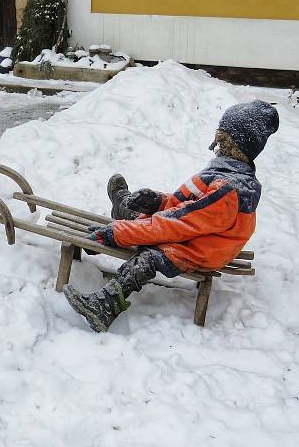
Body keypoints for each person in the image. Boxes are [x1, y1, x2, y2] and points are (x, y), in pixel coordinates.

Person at [64, 100, 279, 332]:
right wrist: (158, 200)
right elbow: (189, 208)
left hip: (200, 250)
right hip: (197, 235)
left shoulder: (228, 189)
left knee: (150, 256)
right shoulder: (227, 174)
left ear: (235, 143)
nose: (217, 143)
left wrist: (117, 234)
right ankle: (123, 207)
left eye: (223, 138)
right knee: (144, 215)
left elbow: (177, 224)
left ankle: (104, 305)